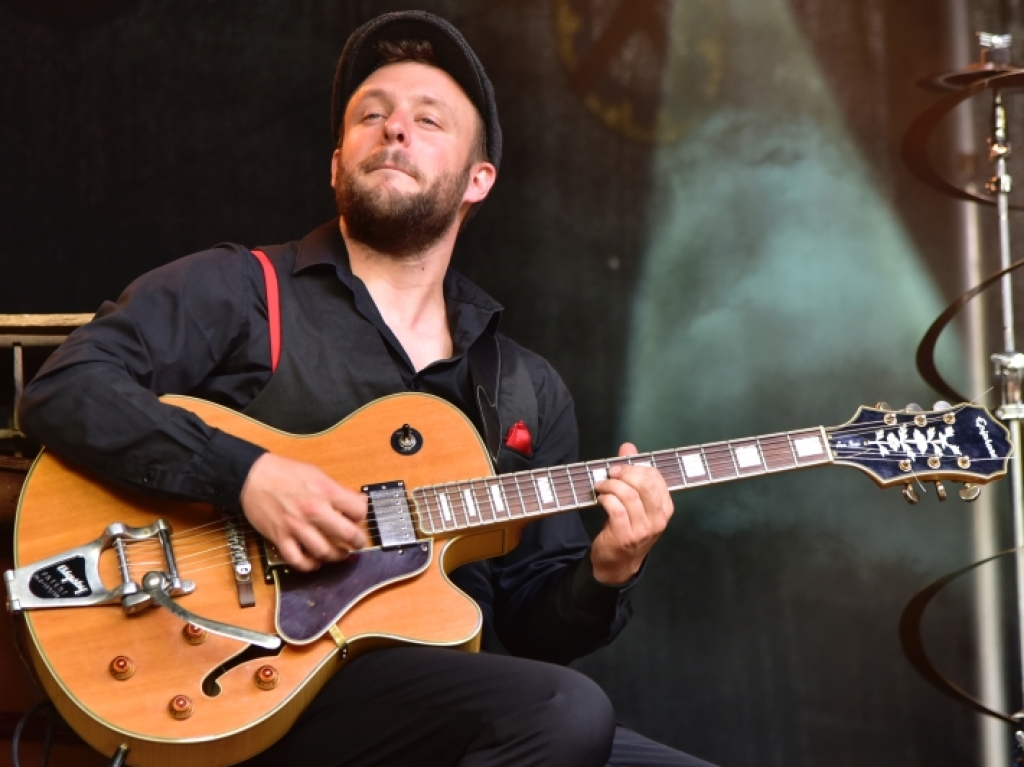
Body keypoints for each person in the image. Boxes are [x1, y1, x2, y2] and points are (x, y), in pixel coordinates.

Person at [19, 11, 715, 767]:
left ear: (478, 179)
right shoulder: (243, 290)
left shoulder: (523, 389)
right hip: (250, 684)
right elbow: (66, 388)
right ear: (336, 161)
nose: (393, 130)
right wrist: (245, 474)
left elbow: (533, 623)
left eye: (427, 119)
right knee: (563, 710)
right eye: (371, 116)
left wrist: (609, 568)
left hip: (444, 704)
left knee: (584, 721)